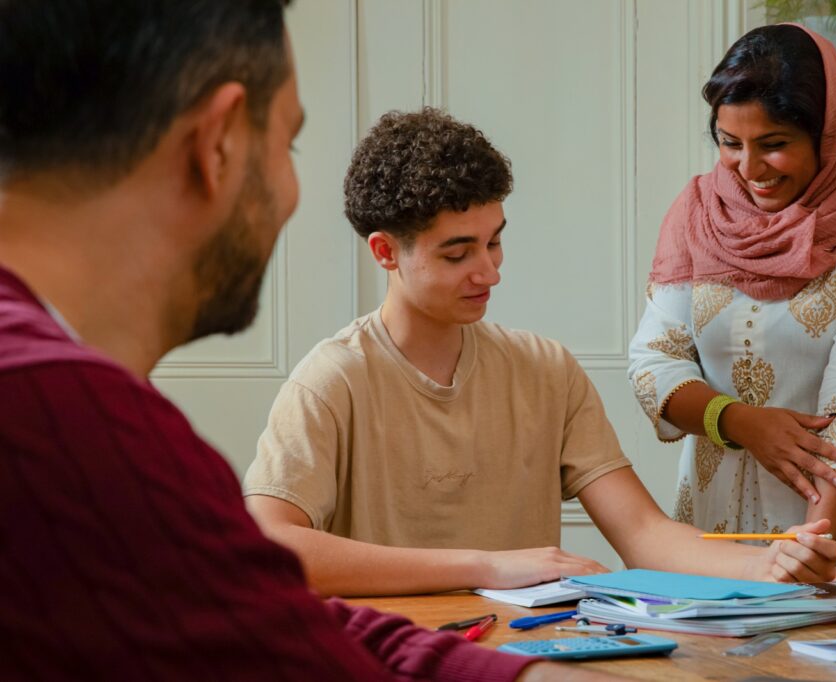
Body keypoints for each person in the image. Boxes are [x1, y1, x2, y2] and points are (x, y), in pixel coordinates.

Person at [0, 2, 601, 679]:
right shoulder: (68, 421)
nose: (291, 193)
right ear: (219, 142)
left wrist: (509, 672)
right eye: (288, 144)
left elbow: (266, 609)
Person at [243, 107, 836, 598]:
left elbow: (642, 533)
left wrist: (767, 566)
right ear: (384, 252)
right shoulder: (332, 380)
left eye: (494, 243)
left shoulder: (545, 370)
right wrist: (483, 566)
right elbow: (271, 549)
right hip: (397, 659)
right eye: (458, 254)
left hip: (534, 656)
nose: (489, 272)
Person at [628, 23, 836, 605]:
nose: (749, 168)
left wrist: (806, 552)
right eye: (730, 142)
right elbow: (654, 358)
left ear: (826, 133)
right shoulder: (699, 210)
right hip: (721, 513)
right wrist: (740, 422)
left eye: (774, 142)